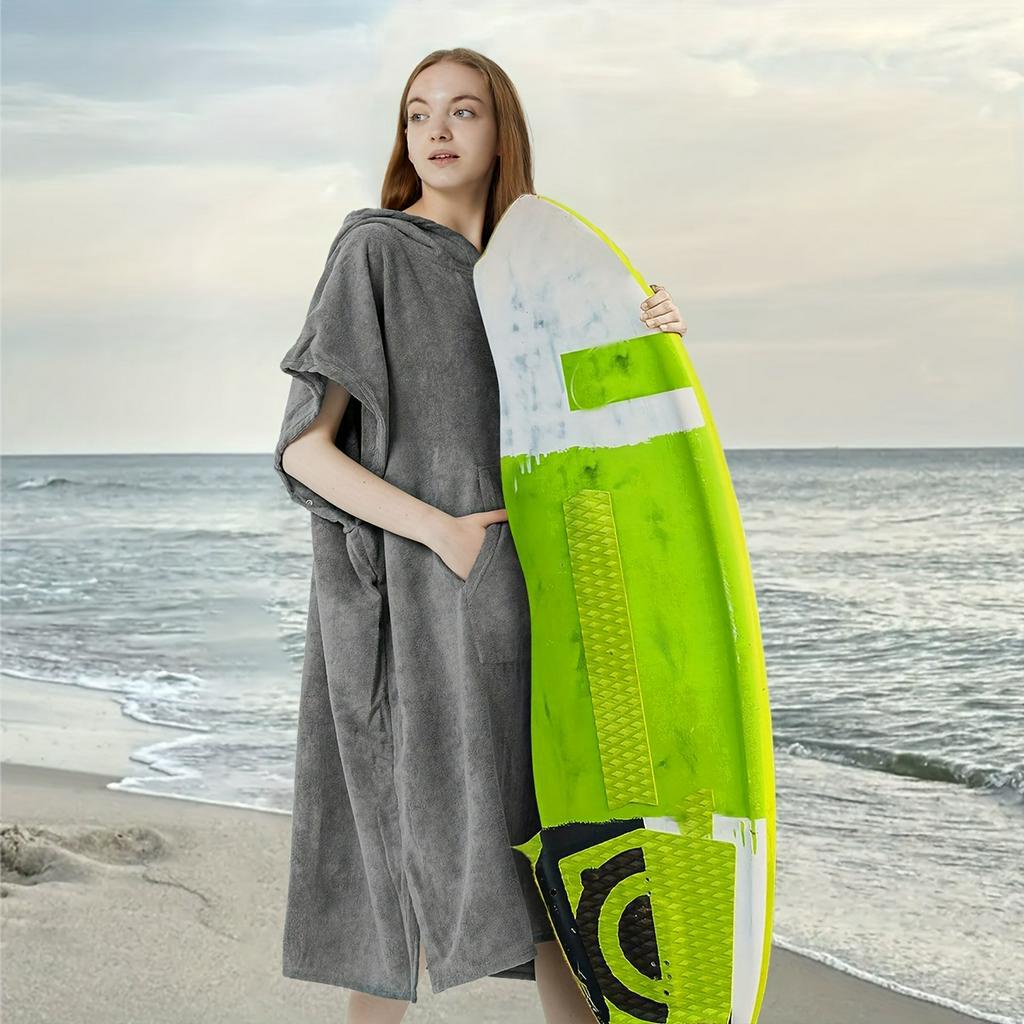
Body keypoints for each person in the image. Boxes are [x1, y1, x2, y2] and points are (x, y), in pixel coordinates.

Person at [273, 47, 686, 1024]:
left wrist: (652, 342)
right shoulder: (374, 252)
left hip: (539, 598)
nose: (438, 131)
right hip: (420, 605)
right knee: (416, 852)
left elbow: (599, 438)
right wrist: (442, 533)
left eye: (463, 111)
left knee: (556, 860)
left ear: (502, 131)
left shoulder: (533, 277)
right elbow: (304, 451)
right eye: (418, 114)